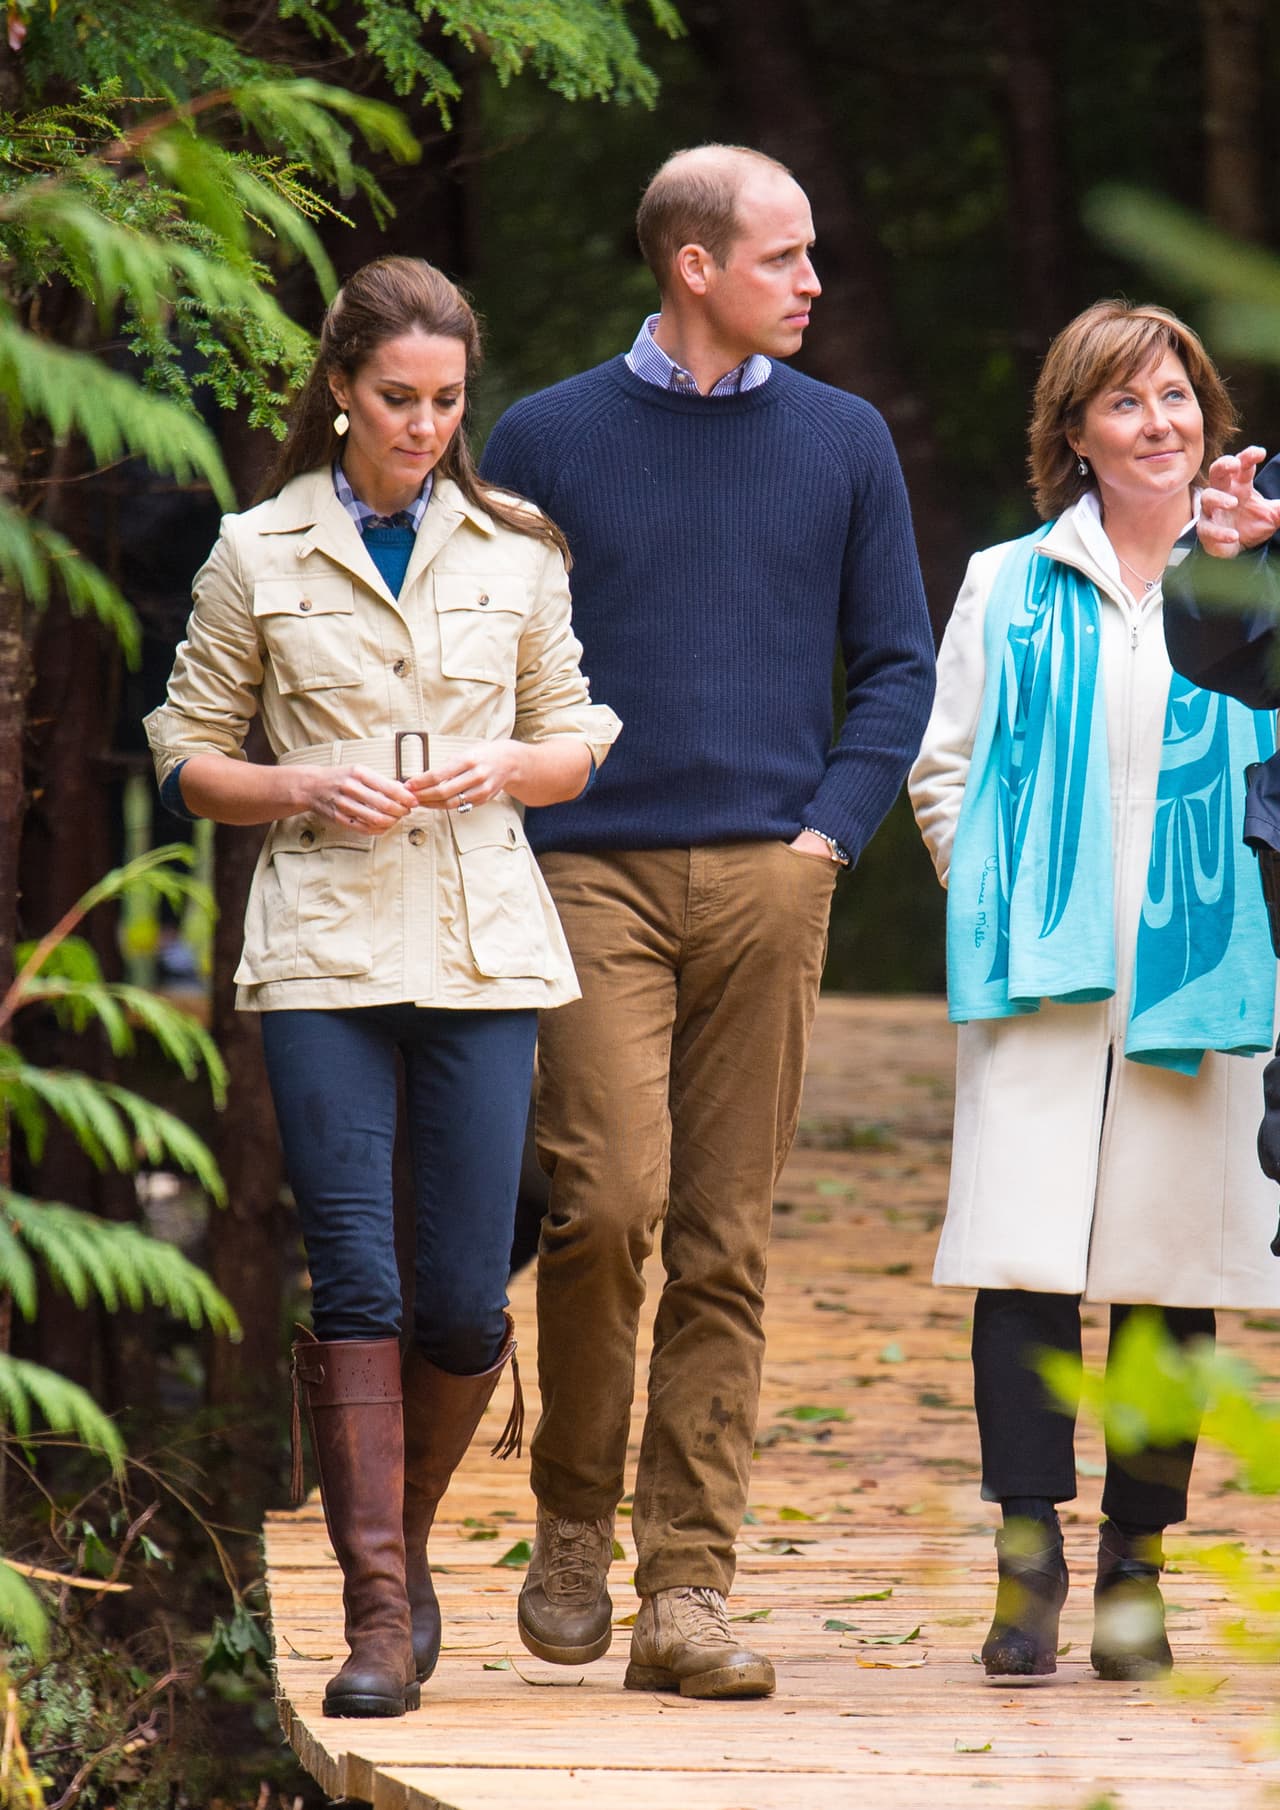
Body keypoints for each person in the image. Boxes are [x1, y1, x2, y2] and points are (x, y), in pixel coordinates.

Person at [480, 143, 934, 1700]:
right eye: (785, 256)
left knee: (726, 1237)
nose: (814, 281)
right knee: (606, 1205)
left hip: (769, 872)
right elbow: (492, 657)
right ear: (695, 265)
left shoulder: (845, 442)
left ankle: (688, 1587)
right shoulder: (544, 439)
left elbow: (896, 665)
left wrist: (829, 835)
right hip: (586, 868)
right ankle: (569, 1526)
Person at [144, 257, 620, 1720]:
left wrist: (514, 768)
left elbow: (578, 733)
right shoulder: (257, 548)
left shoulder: (518, 550)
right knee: (353, 1271)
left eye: (446, 400)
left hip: (483, 944)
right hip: (327, 950)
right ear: (342, 392)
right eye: (397, 399)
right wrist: (299, 780)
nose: (424, 425)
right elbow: (187, 748)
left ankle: (400, 1555)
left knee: (467, 1300)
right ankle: (371, 1618)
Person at [909, 299, 1280, 1684]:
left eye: (1178, 396)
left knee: (1166, 1281)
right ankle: (1028, 1562)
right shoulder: (1012, 581)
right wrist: (995, 905)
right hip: (1042, 986)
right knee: (1022, 1267)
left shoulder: (1254, 577)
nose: (1160, 422)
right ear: (1074, 432)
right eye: (1125, 402)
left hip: (1207, 974)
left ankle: (1137, 1566)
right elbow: (945, 762)